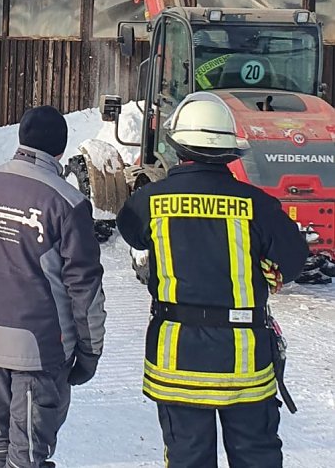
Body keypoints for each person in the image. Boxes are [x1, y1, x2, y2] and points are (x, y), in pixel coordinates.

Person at [116, 92, 308, 468]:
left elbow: (132, 232)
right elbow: (293, 260)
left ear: (179, 148)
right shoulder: (258, 205)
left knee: (188, 459)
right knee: (257, 457)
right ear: (228, 152)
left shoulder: (149, 201)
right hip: (244, 363)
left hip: (177, 359)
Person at [0, 105, 106, 468]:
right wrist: (90, 351)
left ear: (21, 140)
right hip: (41, 349)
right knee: (30, 450)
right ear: (60, 151)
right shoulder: (67, 203)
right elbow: (85, 289)